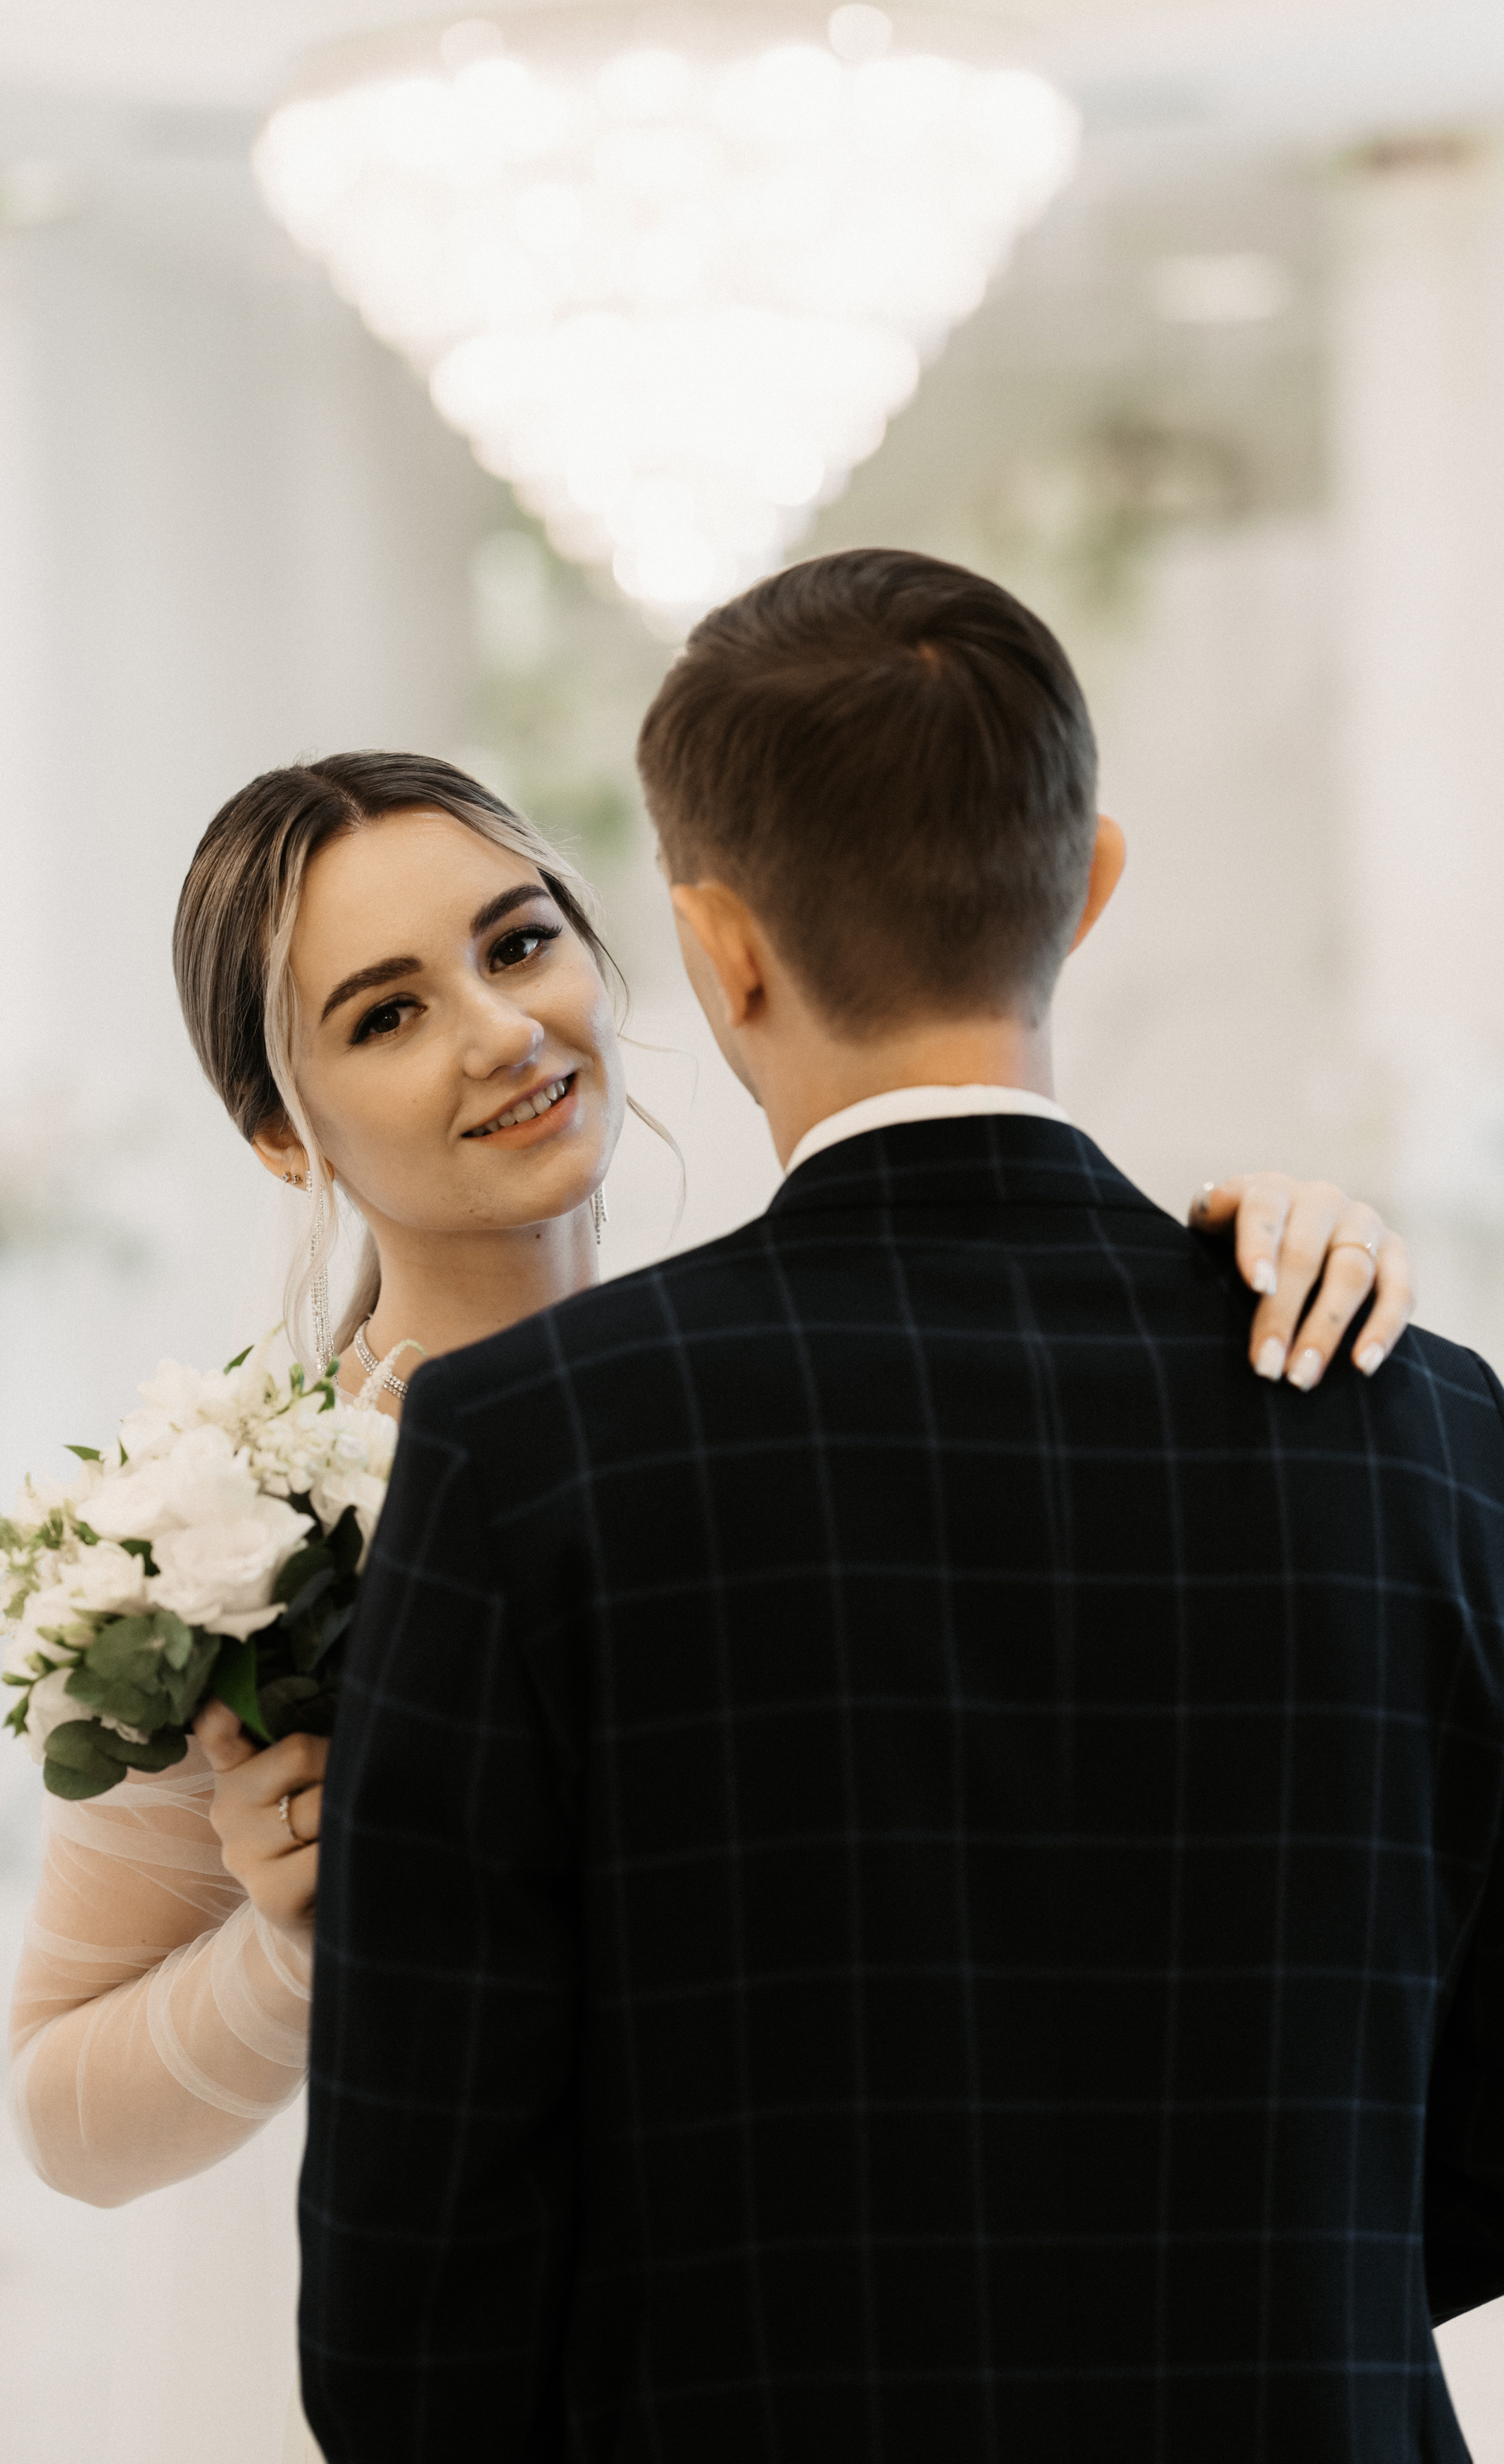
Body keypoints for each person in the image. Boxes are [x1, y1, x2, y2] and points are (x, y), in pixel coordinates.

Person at [8, 748, 1403, 2458]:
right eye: (384, 1016)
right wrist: (298, 1946)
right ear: (279, 1134)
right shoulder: (225, 1543)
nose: (500, 1030)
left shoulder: (777, 1375)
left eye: (518, 945)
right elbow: (63, 2116)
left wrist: (1242, 1257)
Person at [299, 551, 1504, 2463]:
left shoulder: (533, 1448)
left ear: (719, 948)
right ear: (1090, 882)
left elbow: (415, 2284)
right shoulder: (1425, 1426)